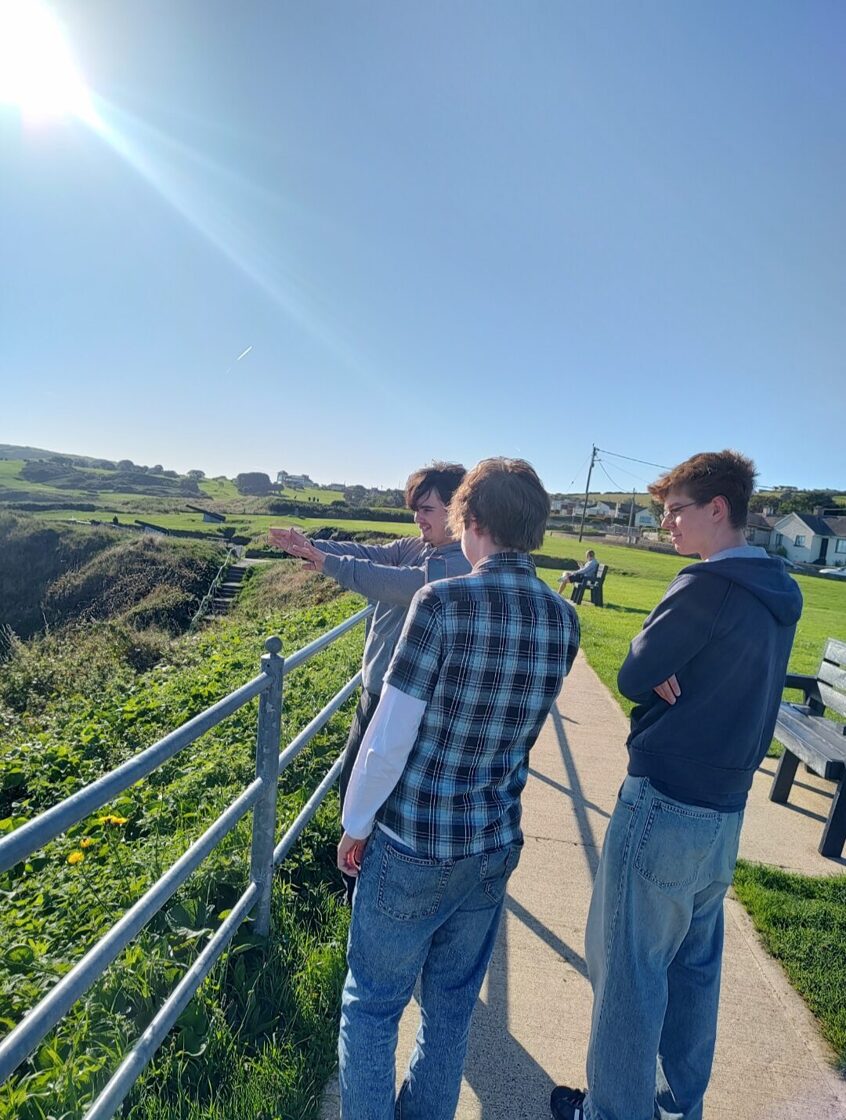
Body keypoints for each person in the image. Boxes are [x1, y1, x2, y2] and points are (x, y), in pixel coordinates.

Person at [551, 450, 802, 1120]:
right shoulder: (778, 590)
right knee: (694, 974)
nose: (666, 525)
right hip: (723, 813)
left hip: (664, 804)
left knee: (628, 973)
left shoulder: (705, 585)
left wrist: (660, 657)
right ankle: (673, 1107)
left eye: (675, 512)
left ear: (717, 508)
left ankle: (612, 1112)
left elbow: (635, 674)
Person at [336, 458, 580, 1120]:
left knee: (373, 1004)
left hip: (413, 842)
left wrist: (356, 824)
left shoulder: (441, 603)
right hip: (493, 844)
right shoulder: (563, 620)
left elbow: (389, 737)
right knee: (448, 1013)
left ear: (470, 521)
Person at [269, 463, 470, 899]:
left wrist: (326, 563)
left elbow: (394, 584)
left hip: (402, 703)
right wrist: (310, 547)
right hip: (375, 691)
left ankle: (366, 890)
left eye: (427, 509)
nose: (418, 518)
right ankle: (355, 885)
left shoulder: (456, 564)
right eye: (416, 508)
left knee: (376, 799)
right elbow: (372, 555)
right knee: (355, 790)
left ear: (457, 510)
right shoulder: (419, 547)